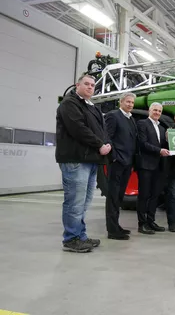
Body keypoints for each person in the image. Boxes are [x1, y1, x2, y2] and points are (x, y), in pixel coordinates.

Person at [55, 73, 111, 253]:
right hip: (75, 160)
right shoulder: (69, 103)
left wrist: (106, 143)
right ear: (77, 85)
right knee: (75, 202)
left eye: (93, 85)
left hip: (90, 159)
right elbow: (78, 129)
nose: (90, 87)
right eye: (86, 84)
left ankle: (80, 235)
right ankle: (71, 239)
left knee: (84, 202)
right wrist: (99, 144)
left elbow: (101, 129)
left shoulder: (91, 106)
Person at [104, 93, 137, 240]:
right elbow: (107, 137)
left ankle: (116, 225)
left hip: (127, 163)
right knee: (112, 197)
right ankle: (112, 230)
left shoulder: (131, 119)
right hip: (117, 163)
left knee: (119, 197)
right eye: (128, 102)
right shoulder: (113, 116)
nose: (130, 104)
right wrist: (114, 158)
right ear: (121, 102)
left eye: (132, 103)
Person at [136, 103, 170, 235]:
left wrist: (169, 142)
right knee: (144, 195)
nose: (157, 112)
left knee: (155, 195)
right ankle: (142, 223)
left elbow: (163, 145)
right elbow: (143, 144)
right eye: (155, 110)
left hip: (159, 166)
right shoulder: (142, 124)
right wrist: (159, 150)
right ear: (149, 110)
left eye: (159, 111)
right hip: (146, 165)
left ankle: (151, 221)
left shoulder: (162, 128)